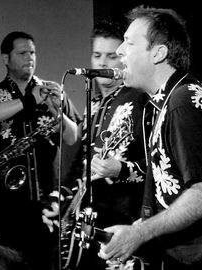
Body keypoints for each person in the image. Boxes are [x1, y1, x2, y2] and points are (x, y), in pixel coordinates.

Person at [98, 6, 202, 270]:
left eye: (129, 43)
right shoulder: (167, 101)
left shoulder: (182, 102)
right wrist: (136, 230)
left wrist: (140, 234)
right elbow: (173, 192)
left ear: (158, 53)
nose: (119, 51)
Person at [0, 31, 82, 270]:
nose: (29, 58)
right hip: (6, 202)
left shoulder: (52, 90)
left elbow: (72, 136)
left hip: (47, 201)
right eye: (22, 53)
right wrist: (29, 101)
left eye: (32, 52)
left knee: (46, 263)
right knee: (4, 263)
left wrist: (57, 111)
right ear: (6, 58)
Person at [56, 20, 150, 270]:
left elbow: (158, 164)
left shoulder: (141, 100)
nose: (102, 63)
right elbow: (79, 165)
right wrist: (59, 198)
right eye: (97, 55)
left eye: (111, 55)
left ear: (123, 57)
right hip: (88, 226)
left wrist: (121, 169)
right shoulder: (94, 104)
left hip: (124, 224)